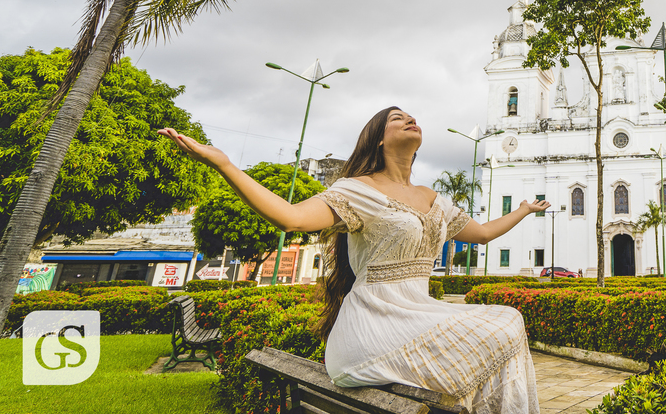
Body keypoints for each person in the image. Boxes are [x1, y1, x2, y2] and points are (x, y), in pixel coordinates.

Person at [160, 106, 547, 414]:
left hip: (418, 316)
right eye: (396, 118)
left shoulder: (433, 198)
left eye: (411, 116)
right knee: (504, 325)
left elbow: (482, 233)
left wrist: (524, 210)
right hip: (373, 327)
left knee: (506, 324)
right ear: (378, 139)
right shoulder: (358, 190)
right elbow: (290, 218)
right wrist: (225, 164)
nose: (409, 119)